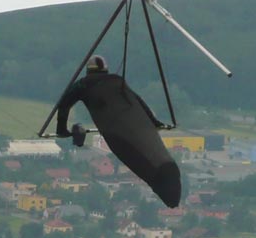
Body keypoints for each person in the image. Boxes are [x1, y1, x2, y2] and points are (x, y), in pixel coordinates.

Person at [55, 55, 182, 207]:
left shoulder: (84, 84)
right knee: (160, 167)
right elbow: (138, 101)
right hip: (139, 133)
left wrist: (61, 129)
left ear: (88, 71)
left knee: (150, 166)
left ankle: (164, 183)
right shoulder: (117, 80)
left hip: (116, 133)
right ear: (106, 70)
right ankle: (166, 182)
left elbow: (64, 104)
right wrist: (154, 122)